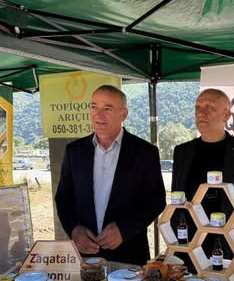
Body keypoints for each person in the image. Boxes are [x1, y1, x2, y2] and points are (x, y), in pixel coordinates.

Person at [55, 85, 166, 266]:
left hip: (130, 255)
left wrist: (124, 229)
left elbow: (156, 201)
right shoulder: (74, 151)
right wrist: (74, 230)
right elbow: (63, 198)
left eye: (107, 108)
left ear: (124, 114)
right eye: (94, 106)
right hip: (85, 256)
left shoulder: (145, 152)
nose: (98, 115)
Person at [172, 88, 234, 259]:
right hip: (189, 246)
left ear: (226, 115)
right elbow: (176, 200)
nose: (201, 113)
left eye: (209, 107)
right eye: (198, 108)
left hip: (232, 247)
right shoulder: (182, 152)